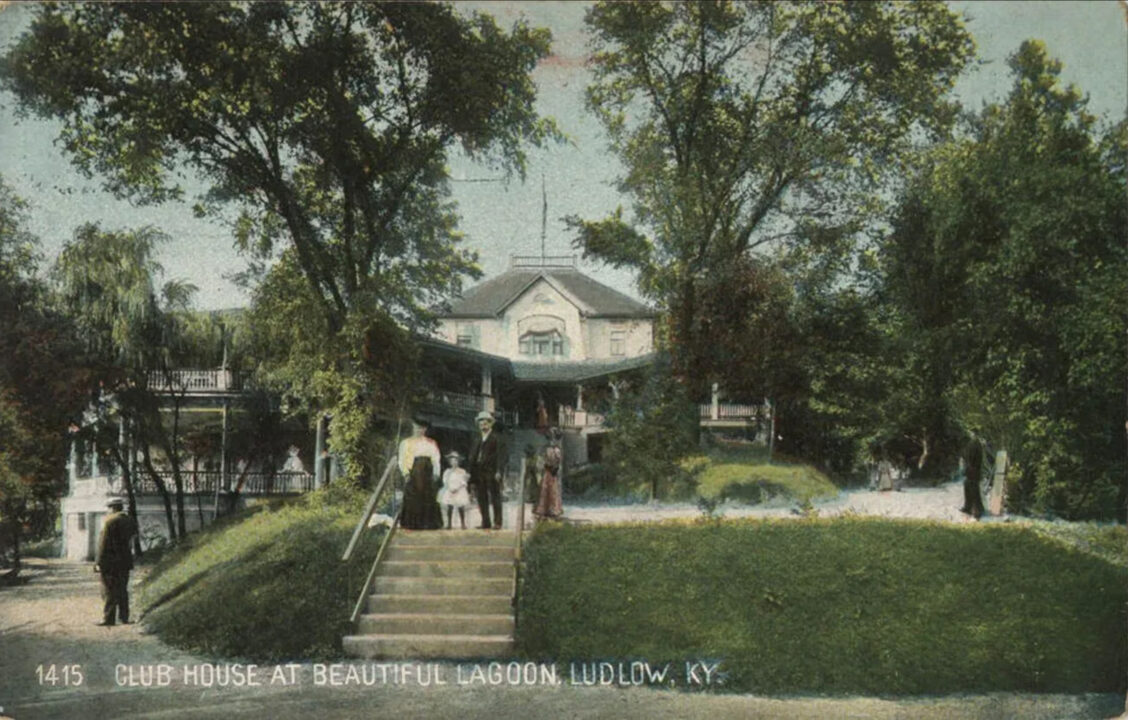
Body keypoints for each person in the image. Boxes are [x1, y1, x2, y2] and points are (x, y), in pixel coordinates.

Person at [94, 497, 137, 626]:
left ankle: (108, 618)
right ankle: (124, 617)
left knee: (109, 590)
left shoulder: (110, 522)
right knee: (123, 589)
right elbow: (132, 541)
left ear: (112, 508)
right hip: (125, 561)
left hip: (110, 562)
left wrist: (98, 562)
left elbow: (103, 544)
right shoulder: (130, 521)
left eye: (109, 508)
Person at [398, 418, 442, 530]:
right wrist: (405, 473)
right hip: (413, 470)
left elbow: (436, 459)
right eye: (417, 427)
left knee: (428, 496)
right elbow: (401, 459)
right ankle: (411, 523)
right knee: (413, 495)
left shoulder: (431, 443)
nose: (420, 430)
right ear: (413, 427)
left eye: (422, 428)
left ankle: (428, 523)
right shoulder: (406, 442)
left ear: (425, 429)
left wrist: (436, 473)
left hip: (427, 470)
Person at [468, 410, 507, 529]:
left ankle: (498, 522)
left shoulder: (496, 438)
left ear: (490, 424)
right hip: (479, 471)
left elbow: (502, 456)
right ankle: (485, 522)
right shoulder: (477, 439)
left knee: (495, 496)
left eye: (485, 424)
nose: (483, 426)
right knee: (481, 497)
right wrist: (470, 471)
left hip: (492, 471)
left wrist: (499, 471)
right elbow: (473, 456)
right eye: (480, 424)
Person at [534, 427, 564, 520]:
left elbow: (559, 461)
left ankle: (554, 511)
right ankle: (543, 511)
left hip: (554, 473)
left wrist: (556, 467)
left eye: (554, 439)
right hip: (546, 472)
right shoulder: (545, 449)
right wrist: (544, 466)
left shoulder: (557, 450)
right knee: (545, 490)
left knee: (554, 491)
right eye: (551, 438)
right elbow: (541, 461)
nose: (553, 441)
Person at [438, 451, 471, 530]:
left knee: (461, 506)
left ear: (459, 462)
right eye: (452, 461)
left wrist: (458, 488)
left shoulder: (462, 471)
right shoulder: (447, 471)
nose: (454, 462)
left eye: (456, 461)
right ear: (450, 462)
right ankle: (449, 524)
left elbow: (463, 481)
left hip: (459, 490)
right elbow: (445, 481)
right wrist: (450, 488)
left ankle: (463, 523)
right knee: (450, 506)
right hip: (450, 490)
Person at [959, 432, 986, 520]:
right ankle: (968, 507)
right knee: (967, 485)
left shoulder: (975, 443)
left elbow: (973, 459)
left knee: (974, 489)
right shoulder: (972, 443)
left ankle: (977, 510)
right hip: (971, 470)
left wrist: (969, 467)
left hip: (974, 470)